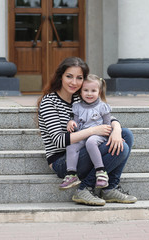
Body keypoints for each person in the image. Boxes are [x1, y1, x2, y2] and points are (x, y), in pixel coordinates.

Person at [37, 57, 137, 206]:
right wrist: (93, 130)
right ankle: (84, 189)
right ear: (60, 76)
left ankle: (110, 188)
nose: (74, 82)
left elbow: (107, 117)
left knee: (126, 134)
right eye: (69, 76)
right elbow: (59, 140)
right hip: (63, 161)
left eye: (79, 78)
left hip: (84, 149)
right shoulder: (49, 102)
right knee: (121, 150)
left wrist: (116, 129)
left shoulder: (80, 98)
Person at [59, 74, 112, 190]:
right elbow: (77, 125)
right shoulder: (77, 107)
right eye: (86, 90)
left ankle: (100, 172)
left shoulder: (103, 106)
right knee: (71, 146)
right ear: (80, 92)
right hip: (84, 134)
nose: (89, 93)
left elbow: (108, 124)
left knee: (91, 142)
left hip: (99, 135)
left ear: (99, 92)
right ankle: (71, 174)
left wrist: (113, 135)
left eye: (93, 90)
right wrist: (71, 123)